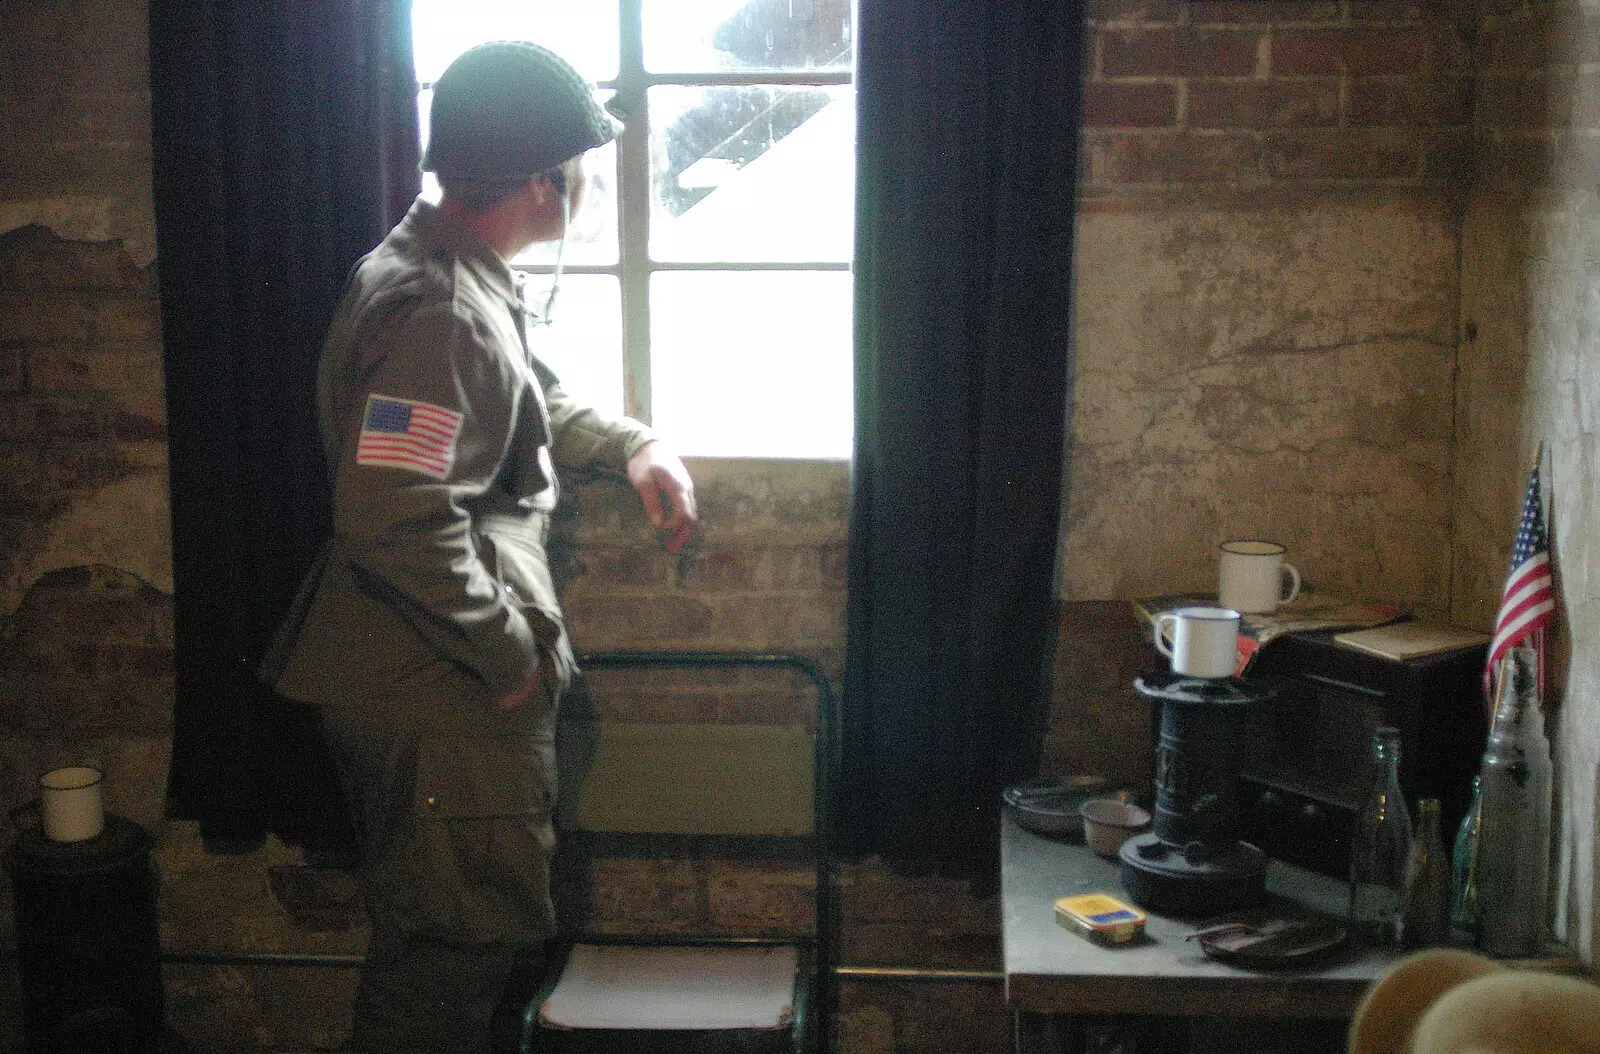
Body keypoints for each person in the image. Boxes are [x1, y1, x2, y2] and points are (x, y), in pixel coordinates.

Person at [260, 40, 696, 1054]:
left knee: (456, 955)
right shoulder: (437, 312)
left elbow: (525, 386)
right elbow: (392, 512)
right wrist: (504, 655)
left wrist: (632, 447)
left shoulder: (448, 271)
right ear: (547, 180)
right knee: (445, 969)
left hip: (433, 673)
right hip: (440, 682)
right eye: (583, 165)